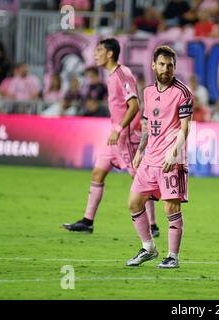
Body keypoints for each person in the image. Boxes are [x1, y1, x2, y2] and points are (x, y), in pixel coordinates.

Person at [62, 38, 159, 237]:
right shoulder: (112, 75)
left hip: (128, 136)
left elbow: (134, 106)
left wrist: (120, 128)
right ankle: (87, 222)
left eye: (99, 50)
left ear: (110, 54)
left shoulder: (122, 74)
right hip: (115, 135)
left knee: (140, 179)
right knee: (98, 174)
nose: (95, 54)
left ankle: (153, 225)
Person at [125, 45, 193, 269]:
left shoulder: (183, 92)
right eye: (162, 64)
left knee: (170, 208)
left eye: (170, 65)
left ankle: (173, 256)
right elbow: (147, 124)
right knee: (134, 202)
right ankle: (148, 248)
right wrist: (141, 150)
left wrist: (174, 153)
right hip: (149, 159)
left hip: (171, 160)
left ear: (175, 67)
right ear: (153, 65)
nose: (166, 69)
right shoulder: (148, 91)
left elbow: (185, 129)